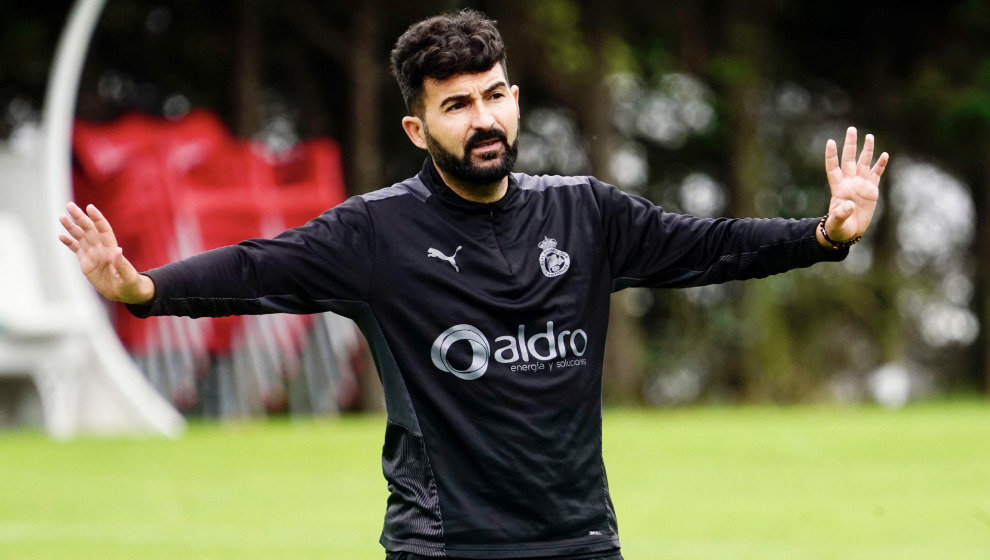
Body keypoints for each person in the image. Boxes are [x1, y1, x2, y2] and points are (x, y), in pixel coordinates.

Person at [59, 9, 888, 560]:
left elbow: (710, 246)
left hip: (579, 538)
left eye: (494, 96)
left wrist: (822, 234)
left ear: (517, 101)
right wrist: (143, 290)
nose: (483, 119)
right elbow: (256, 268)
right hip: (444, 543)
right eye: (458, 105)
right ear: (419, 127)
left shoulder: (586, 213)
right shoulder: (374, 234)